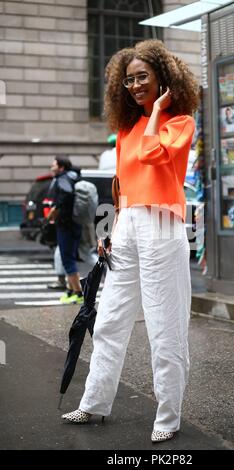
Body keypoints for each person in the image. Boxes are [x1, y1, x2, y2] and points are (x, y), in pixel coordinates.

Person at [61, 39, 199, 443]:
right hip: (127, 226)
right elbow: (122, 185)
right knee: (109, 321)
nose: (135, 85)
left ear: (164, 78)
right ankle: (94, 403)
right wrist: (111, 230)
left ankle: (168, 416)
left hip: (162, 225)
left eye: (143, 77)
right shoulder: (126, 128)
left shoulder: (180, 122)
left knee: (164, 325)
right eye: (129, 80)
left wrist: (157, 112)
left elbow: (156, 156)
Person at [47, 157, 83, 305]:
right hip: (74, 223)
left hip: (66, 224)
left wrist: (55, 209)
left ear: (61, 167)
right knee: (68, 257)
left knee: (67, 259)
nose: (51, 166)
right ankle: (71, 291)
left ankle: (78, 292)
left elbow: (66, 194)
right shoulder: (73, 176)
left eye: (54, 164)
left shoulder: (63, 178)